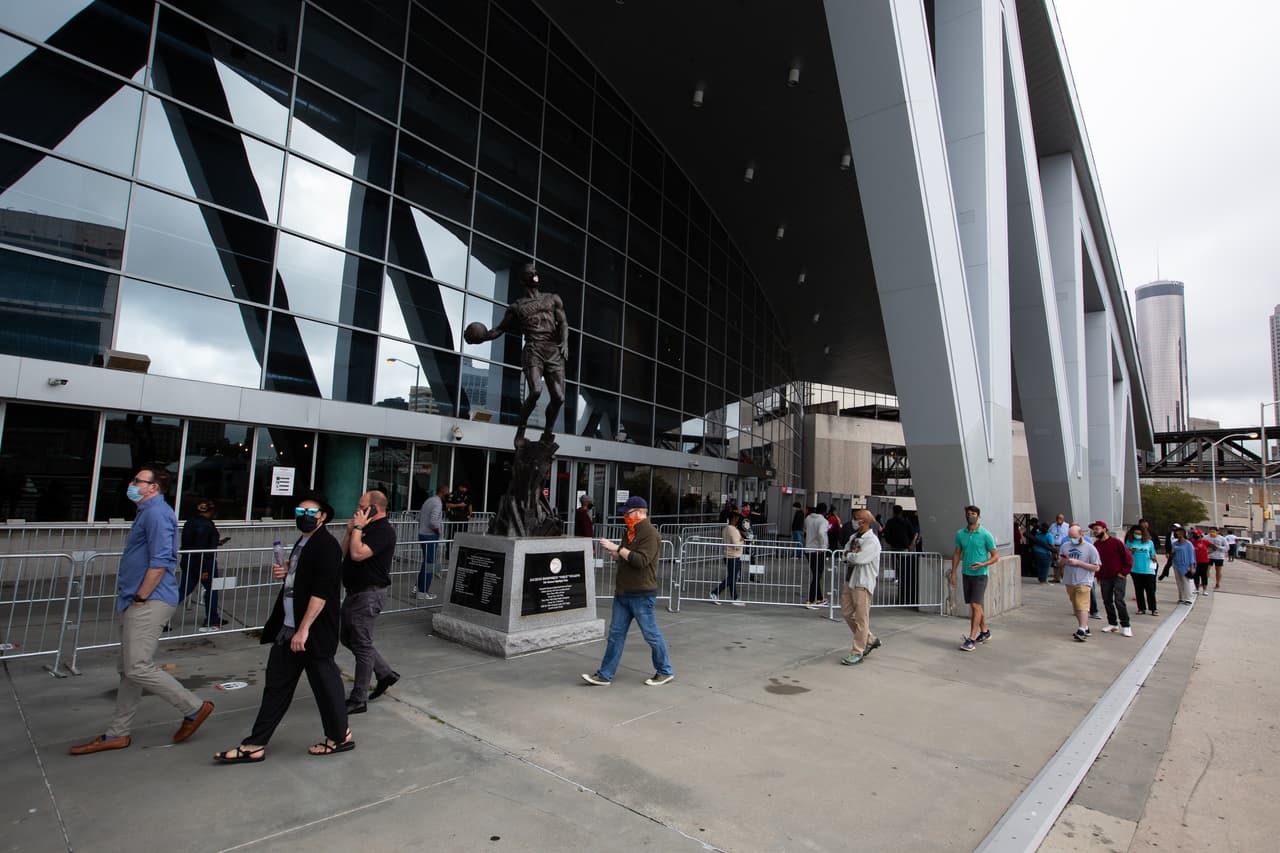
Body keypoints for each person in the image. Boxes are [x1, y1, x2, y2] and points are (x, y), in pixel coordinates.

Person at [70, 466, 213, 754]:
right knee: (128, 670)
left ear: (153, 487)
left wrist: (141, 596)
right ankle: (117, 733)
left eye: (138, 481)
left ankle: (194, 707)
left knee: (136, 666)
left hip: (149, 601)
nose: (132, 484)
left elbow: (161, 560)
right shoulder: (146, 512)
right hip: (136, 599)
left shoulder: (157, 513)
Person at [213, 493, 353, 763]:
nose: (304, 517)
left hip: (311, 632)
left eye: (310, 512)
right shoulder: (303, 542)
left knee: (326, 686)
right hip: (289, 629)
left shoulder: (327, 546)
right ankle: (255, 744)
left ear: (323, 516)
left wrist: (303, 629)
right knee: (277, 687)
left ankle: (339, 736)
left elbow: (322, 592)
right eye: (300, 511)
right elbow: (303, 578)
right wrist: (288, 573)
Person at [465, 262, 568, 442]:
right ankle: (521, 431)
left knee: (559, 398)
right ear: (523, 280)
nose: (534, 273)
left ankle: (547, 433)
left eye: (535, 271)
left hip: (553, 350)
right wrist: (480, 336)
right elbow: (498, 330)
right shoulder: (517, 307)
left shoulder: (552, 298)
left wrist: (565, 341)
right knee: (535, 391)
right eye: (530, 272)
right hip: (533, 349)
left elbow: (563, 323)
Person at [582, 497, 674, 686]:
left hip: (642, 594)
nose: (625, 516)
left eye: (628, 513)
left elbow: (641, 561)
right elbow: (628, 557)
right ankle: (605, 674)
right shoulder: (630, 532)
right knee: (615, 635)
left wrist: (618, 548)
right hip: (624, 592)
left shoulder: (650, 533)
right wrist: (617, 554)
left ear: (640, 512)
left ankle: (665, 670)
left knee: (651, 634)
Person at [341, 490, 399, 713]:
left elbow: (358, 554)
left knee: (362, 645)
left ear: (375, 508)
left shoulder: (384, 531)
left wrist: (357, 528)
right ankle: (384, 673)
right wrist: (350, 531)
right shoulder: (363, 527)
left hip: (369, 594)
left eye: (362, 506)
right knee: (347, 637)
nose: (358, 510)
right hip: (354, 591)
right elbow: (344, 553)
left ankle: (359, 698)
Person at [950, 505, 998, 651]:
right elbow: (957, 553)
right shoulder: (960, 534)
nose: (970, 516)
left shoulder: (985, 534)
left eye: (973, 514)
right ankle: (985, 631)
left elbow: (995, 556)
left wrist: (983, 564)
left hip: (980, 575)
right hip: (966, 573)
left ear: (978, 516)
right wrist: (953, 573)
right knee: (975, 605)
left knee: (975, 605)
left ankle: (971, 639)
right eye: (968, 513)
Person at [839, 509, 882, 666]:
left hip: (863, 583)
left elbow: (859, 558)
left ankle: (858, 651)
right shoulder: (853, 538)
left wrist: (849, 555)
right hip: (850, 580)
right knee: (847, 612)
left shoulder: (872, 541)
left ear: (863, 521)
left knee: (861, 618)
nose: (853, 521)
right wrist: (850, 555)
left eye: (856, 518)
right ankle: (869, 639)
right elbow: (844, 554)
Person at [179, 498, 228, 627]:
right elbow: (204, 547)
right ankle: (212, 618)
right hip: (205, 562)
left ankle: (161, 617)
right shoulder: (207, 525)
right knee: (211, 589)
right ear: (210, 511)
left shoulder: (190, 522)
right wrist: (204, 569)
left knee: (184, 590)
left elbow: (193, 542)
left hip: (188, 559)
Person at [1058, 524, 1101, 642]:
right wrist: (1063, 561)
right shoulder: (1065, 546)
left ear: (1081, 535)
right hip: (1069, 580)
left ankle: (1081, 629)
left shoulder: (1090, 548)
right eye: (1070, 537)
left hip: (1084, 580)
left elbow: (1096, 567)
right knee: (1076, 604)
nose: (1072, 539)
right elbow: (1059, 563)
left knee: (1082, 604)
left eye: (1075, 537)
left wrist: (1079, 563)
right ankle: (1085, 626)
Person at [1090, 521, 1133, 637]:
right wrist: (1098, 576)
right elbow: (1096, 561)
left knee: (1119, 600)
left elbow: (1128, 558)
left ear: (1104, 529)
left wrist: (1123, 572)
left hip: (1118, 576)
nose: (1095, 531)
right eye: (1094, 529)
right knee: (1107, 600)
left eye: (1097, 529)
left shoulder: (1116, 542)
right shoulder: (1096, 545)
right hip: (1105, 577)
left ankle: (1126, 625)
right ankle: (1112, 623)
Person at [416, 485, 447, 601]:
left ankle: (418, 588)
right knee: (430, 564)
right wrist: (438, 532)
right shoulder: (438, 503)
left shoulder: (428, 500)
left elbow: (418, 517)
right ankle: (423, 592)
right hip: (430, 536)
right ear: (443, 492)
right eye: (448, 492)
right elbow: (433, 522)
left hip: (422, 534)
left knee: (426, 563)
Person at [883, 505, 915, 605]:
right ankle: (902, 579)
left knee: (895, 564)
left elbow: (886, 534)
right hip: (904, 547)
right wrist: (909, 543)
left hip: (894, 546)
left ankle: (896, 577)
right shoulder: (906, 522)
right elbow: (912, 533)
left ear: (893, 512)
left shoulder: (890, 522)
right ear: (901, 512)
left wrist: (890, 541)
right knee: (904, 565)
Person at [711, 509, 745, 606]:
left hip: (728, 555)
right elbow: (737, 545)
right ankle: (715, 592)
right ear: (734, 518)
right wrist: (742, 540)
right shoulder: (733, 530)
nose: (738, 520)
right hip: (733, 556)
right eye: (737, 518)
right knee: (732, 577)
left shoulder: (726, 528)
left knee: (732, 577)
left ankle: (734, 597)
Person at [1126, 524, 1158, 616]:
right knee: (1138, 589)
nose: (1138, 535)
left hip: (1148, 569)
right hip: (1135, 569)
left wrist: (1153, 558)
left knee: (1150, 590)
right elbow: (1126, 554)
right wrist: (1131, 551)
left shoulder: (1149, 542)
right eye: (1136, 533)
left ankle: (1153, 609)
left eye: (1139, 534)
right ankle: (1141, 608)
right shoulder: (1130, 542)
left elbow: (1153, 554)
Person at [1159, 525, 1195, 605]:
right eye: (1176, 533)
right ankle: (1181, 597)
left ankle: (1188, 598)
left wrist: (1192, 567)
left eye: (1179, 533)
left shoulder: (1188, 544)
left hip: (1185, 565)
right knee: (1179, 582)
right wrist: (1171, 553)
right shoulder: (1174, 543)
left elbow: (1191, 556)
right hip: (1176, 564)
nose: (1177, 534)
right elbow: (1172, 553)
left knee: (1186, 581)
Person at [803, 503, 830, 608]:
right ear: (825, 511)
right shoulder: (823, 521)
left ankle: (819, 598)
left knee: (816, 574)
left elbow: (805, 530)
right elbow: (821, 533)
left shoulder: (808, 518)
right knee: (817, 575)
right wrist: (823, 547)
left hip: (808, 549)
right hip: (818, 550)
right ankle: (810, 600)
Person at [1048, 513, 1070, 582]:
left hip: (1063, 546)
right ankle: (1056, 578)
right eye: (1057, 519)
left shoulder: (1067, 526)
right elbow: (1049, 534)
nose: (1059, 520)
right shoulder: (1053, 526)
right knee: (1055, 562)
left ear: (1063, 519)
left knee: (1063, 561)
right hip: (1054, 546)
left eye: (1060, 519)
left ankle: (1064, 577)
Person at [1190, 530, 1210, 595]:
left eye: (1196, 535)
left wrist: (1208, 552)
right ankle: (1197, 589)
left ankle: (1204, 590)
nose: (1194, 536)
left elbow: (1214, 547)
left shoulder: (1204, 542)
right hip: (1195, 561)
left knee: (1204, 575)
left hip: (1204, 561)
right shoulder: (1191, 542)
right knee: (1196, 575)